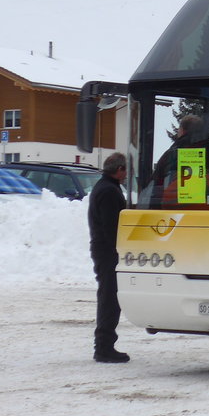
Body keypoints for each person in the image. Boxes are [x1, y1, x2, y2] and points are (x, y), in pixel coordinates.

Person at [88, 152, 129, 363]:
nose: (127, 174)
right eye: (125, 170)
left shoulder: (104, 187)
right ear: (119, 170)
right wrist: (121, 248)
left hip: (103, 250)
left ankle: (104, 345)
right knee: (109, 299)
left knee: (109, 296)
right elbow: (111, 227)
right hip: (108, 252)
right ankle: (104, 347)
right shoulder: (109, 192)